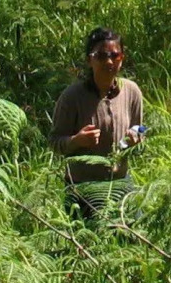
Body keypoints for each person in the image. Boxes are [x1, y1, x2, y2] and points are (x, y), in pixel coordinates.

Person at [50, 27, 145, 218]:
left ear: (122, 58)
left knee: (135, 239)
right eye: (101, 56)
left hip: (120, 185)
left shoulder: (131, 92)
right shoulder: (72, 97)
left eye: (114, 55)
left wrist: (136, 139)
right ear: (89, 60)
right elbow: (54, 142)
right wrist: (76, 141)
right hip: (82, 189)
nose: (108, 61)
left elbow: (140, 131)